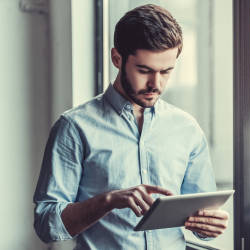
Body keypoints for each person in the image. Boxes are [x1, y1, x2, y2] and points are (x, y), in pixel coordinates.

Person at [33, 4, 229, 250]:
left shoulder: (187, 128)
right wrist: (109, 200)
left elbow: (202, 215)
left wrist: (210, 226)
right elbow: (46, 224)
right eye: (144, 70)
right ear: (117, 58)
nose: (155, 84)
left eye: (166, 71)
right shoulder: (74, 127)